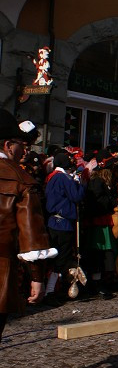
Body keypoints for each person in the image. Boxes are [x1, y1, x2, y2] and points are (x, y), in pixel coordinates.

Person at [0, 112, 57, 339]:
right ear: (7, 145)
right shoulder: (20, 179)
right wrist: (37, 278)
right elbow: (31, 236)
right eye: (20, 145)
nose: (24, 151)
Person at [82, 150, 118, 299]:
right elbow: (97, 202)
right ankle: (96, 284)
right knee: (99, 253)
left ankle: (102, 282)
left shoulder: (106, 183)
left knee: (106, 253)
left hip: (104, 221)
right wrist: (115, 202)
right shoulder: (96, 182)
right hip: (97, 222)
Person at [45, 150, 85, 305]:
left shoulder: (52, 177)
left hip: (53, 221)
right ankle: (51, 291)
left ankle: (51, 289)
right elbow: (76, 196)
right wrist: (80, 183)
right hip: (63, 223)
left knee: (55, 257)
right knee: (61, 258)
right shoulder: (62, 178)